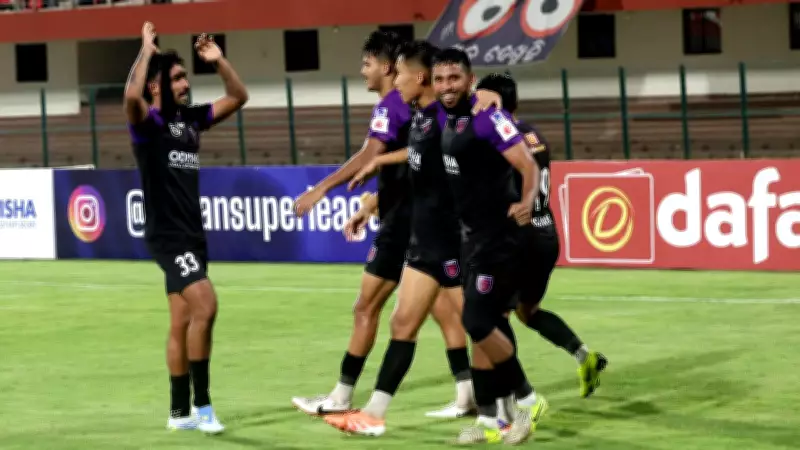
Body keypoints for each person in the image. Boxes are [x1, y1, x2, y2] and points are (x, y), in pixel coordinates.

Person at [290, 31, 501, 419]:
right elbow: (414, 164)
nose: (363, 71)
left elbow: (373, 154)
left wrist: (322, 188)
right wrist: (373, 201)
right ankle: (469, 394)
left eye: (368, 63)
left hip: (416, 225)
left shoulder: (394, 106)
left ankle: (343, 397)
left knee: (370, 308)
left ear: (391, 69)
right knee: (444, 312)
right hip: (418, 220)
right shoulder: (420, 112)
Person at [323, 40, 467, 436]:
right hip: (425, 239)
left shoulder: (449, 116)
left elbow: (481, 119)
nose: (396, 81)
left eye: (401, 73)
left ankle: (518, 401)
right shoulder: (420, 120)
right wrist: (377, 174)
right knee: (402, 322)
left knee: (481, 325)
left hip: (452, 239)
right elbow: (413, 160)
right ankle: (373, 412)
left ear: (418, 77)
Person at [123, 22, 248, 433]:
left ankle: (179, 413)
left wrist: (219, 61)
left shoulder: (190, 120)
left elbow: (238, 97)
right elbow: (130, 97)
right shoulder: (148, 125)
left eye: (185, 77)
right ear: (156, 85)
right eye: (176, 78)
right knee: (206, 306)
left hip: (193, 234)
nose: (185, 84)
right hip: (168, 236)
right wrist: (146, 51)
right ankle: (204, 406)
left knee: (181, 320)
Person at [433, 48, 546, 445]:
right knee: (488, 326)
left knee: (477, 321)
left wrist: (527, 200)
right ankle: (493, 421)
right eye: (440, 79)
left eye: (454, 78)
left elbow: (528, 165)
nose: (446, 86)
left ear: (470, 80)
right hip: (471, 238)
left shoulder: (488, 118)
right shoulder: (444, 116)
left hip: (499, 238)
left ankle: (528, 399)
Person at [475, 73, 608, 404]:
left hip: (518, 236)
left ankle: (510, 400)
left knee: (494, 317)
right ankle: (584, 356)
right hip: (546, 232)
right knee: (528, 311)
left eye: (479, 98)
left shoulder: (501, 139)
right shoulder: (533, 134)